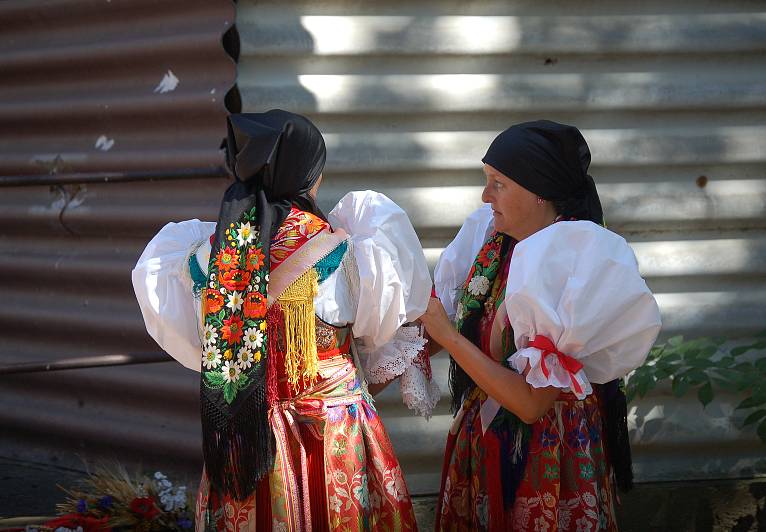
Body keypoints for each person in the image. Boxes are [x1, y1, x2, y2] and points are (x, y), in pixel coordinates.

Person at [132, 110, 439, 531]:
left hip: (245, 439)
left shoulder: (203, 256)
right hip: (331, 440)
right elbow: (382, 331)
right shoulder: (350, 251)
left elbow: (194, 348)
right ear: (307, 174)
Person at [420, 120, 662, 531]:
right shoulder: (492, 243)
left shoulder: (573, 263)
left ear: (540, 193)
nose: (485, 196)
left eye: (499, 183)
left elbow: (532, 405)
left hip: (545, 461)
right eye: (486, 181)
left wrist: (447, 335)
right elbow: (450, 326)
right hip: (484, 444)